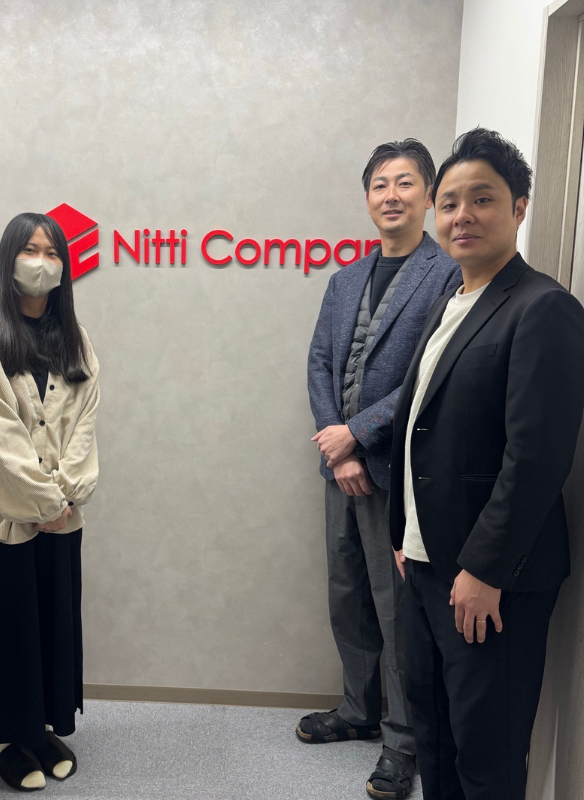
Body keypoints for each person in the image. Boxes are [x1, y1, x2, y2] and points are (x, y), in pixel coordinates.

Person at [389, 127, 584, 800]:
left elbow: (536, 457)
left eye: (482, 199)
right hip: (425, 565)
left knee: (487, 754)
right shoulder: (450, 304)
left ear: (519, 207)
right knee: (435, 738)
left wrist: (485, 568)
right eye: (449, 203)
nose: (462, 216)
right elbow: (424, 430)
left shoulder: (544, 308)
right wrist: (404, 535)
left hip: (489, 579)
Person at [305, 140, 461, 799]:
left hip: (398, 473)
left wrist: (359, 436)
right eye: (379, 184)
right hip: (340, 468)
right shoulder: (345, 279)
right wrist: (337, 447)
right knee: (347, 592)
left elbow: (432, 372)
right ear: (367, 197)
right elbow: (319, 362)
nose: (390, 195)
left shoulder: (447, 274)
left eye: (405, 182)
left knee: (398, 609)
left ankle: (403, 740)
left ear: (428, 195)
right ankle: (358, 708)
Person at [0, 212, 99, 792]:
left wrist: (65, 497)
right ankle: (5, 738)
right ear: (8, 258)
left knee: (49, 626)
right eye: (30, 250)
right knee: (7, 629)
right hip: (1, 518)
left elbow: (84, 427)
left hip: (61, 518)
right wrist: (41, 502)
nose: (42, 262)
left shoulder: (75, 338)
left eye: (52, 252)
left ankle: (38, 729)